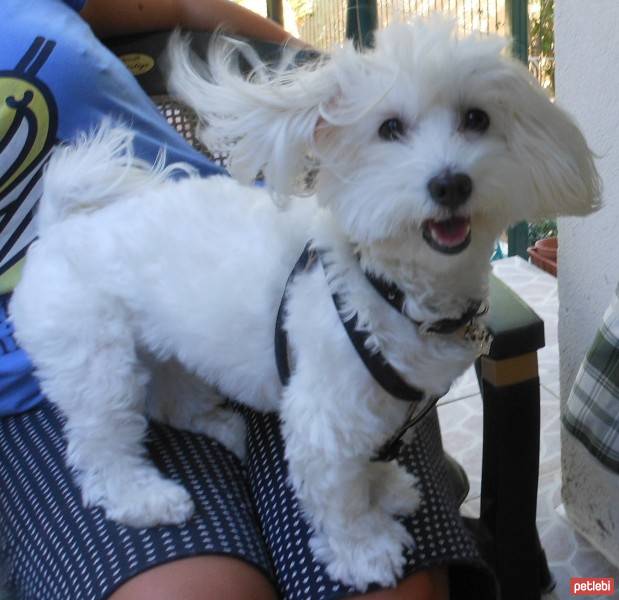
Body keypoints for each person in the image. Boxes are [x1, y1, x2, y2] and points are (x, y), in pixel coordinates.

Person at [0, 1, 494, 598]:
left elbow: (186, 3)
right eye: (395, 131)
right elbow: (321, 439)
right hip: (62, 318)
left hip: (219, 256)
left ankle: (212, 421)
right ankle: (115, 477)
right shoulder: (69, 275)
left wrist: (341, 79)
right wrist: (353, 529)